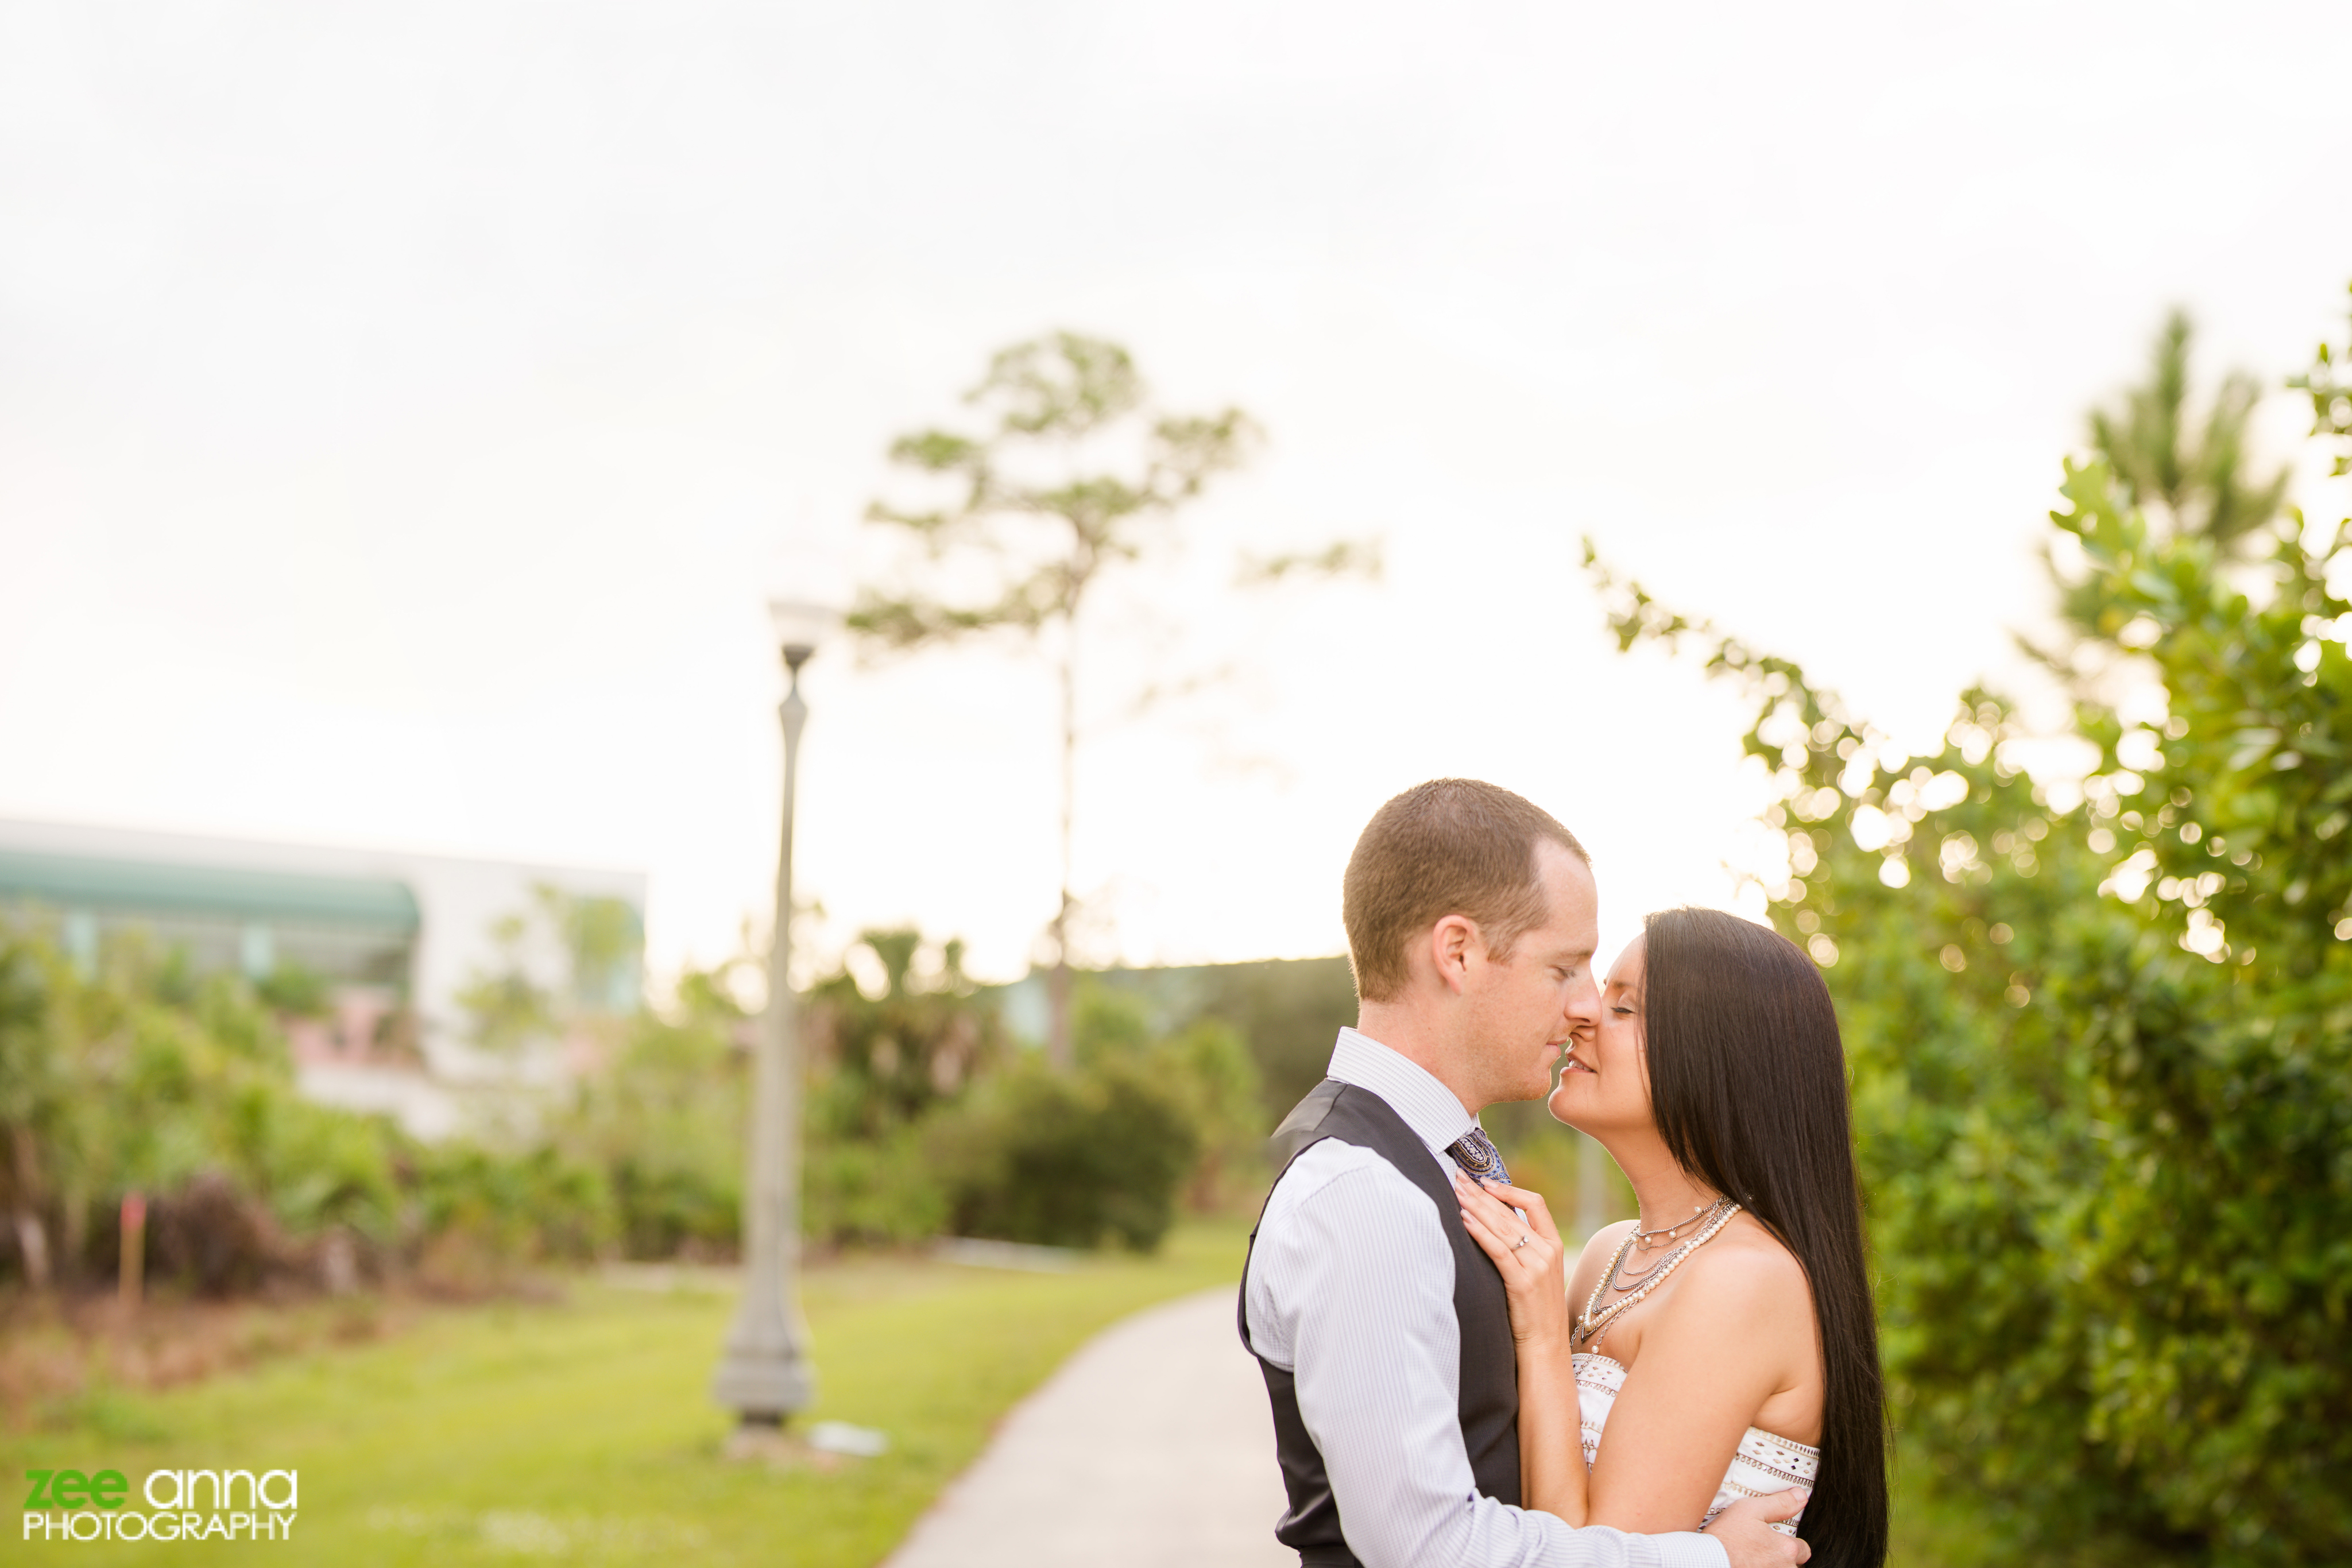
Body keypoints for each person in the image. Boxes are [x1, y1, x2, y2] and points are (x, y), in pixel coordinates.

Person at [1241, 780, 1812, 1568]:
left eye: (1616, 998)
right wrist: (1704, 1560)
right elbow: (1428, 1546)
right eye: (1566, 968)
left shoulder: (1437, 1169)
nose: (1583, 1006)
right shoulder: (1365, 1193)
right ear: (1460, 951)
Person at [1455, 908, 1887, 1567]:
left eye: (1625, 1009)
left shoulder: (1742, 1280)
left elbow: (1579, 1553)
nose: (1583, 1015)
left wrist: (1541, 1333)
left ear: (1719, 1057)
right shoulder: (1611, 1251)